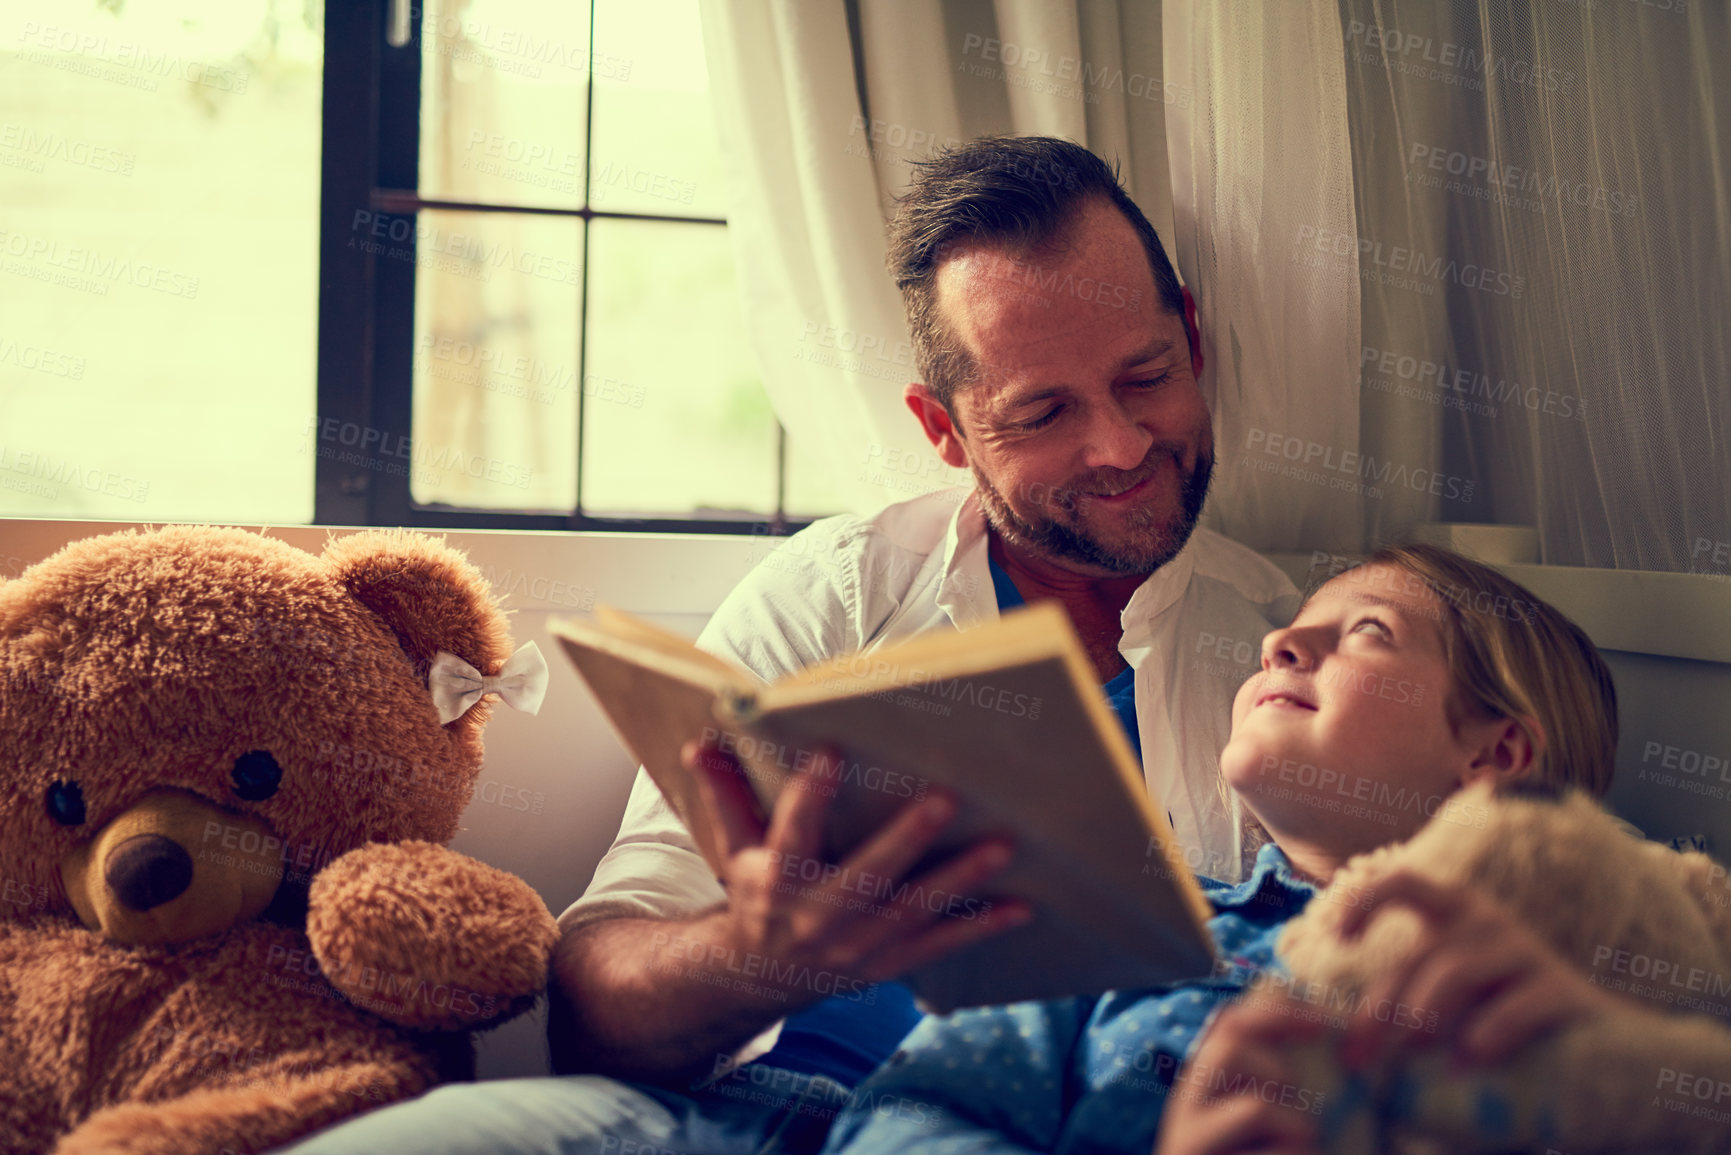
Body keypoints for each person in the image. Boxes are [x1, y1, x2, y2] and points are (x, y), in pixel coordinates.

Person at [283, 136, 1297, 1155]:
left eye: (1146, 378)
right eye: (1043, 412)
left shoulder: (1293, 653)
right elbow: (591, 1013)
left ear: (1194, 341)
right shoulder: (836, 595)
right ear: (944, 432)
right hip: (731, 1125)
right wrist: (754, 954)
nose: (1120, 446)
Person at [819, 543, 1651, 1155]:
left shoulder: (1583, 985)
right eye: (1290, 629)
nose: (1277, 645)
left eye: (1367, 631)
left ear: (1492, 756)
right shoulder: (1115, 929)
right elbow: (900, 1119)